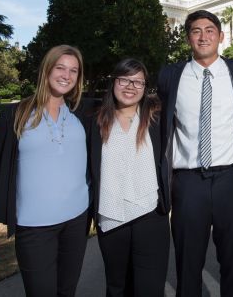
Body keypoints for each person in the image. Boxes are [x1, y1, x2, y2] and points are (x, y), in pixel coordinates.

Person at [0, 45, 93, 297]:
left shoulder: (81, 114)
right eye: (60, 67)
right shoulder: (14, 115)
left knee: (67, 292)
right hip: (34, 227)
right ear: (46, 70)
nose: (66, 75)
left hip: (77, 221)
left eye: (73, 70)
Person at [157, 9, 233, 297]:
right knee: (188, 264)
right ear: (188, 37)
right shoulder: (169, 75)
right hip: (188, 182)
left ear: (221, 36)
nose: (203, 36)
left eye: (209, 30)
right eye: (196, 31)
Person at [89, 58, 170, 296]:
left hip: (150, 214)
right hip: (112, 216)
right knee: (117, 287)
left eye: (138, 82)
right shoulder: (95, 121)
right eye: (124, 79)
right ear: (113, 82)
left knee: (150, 288)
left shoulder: (156, 119)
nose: (130, 86)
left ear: (145, 88)